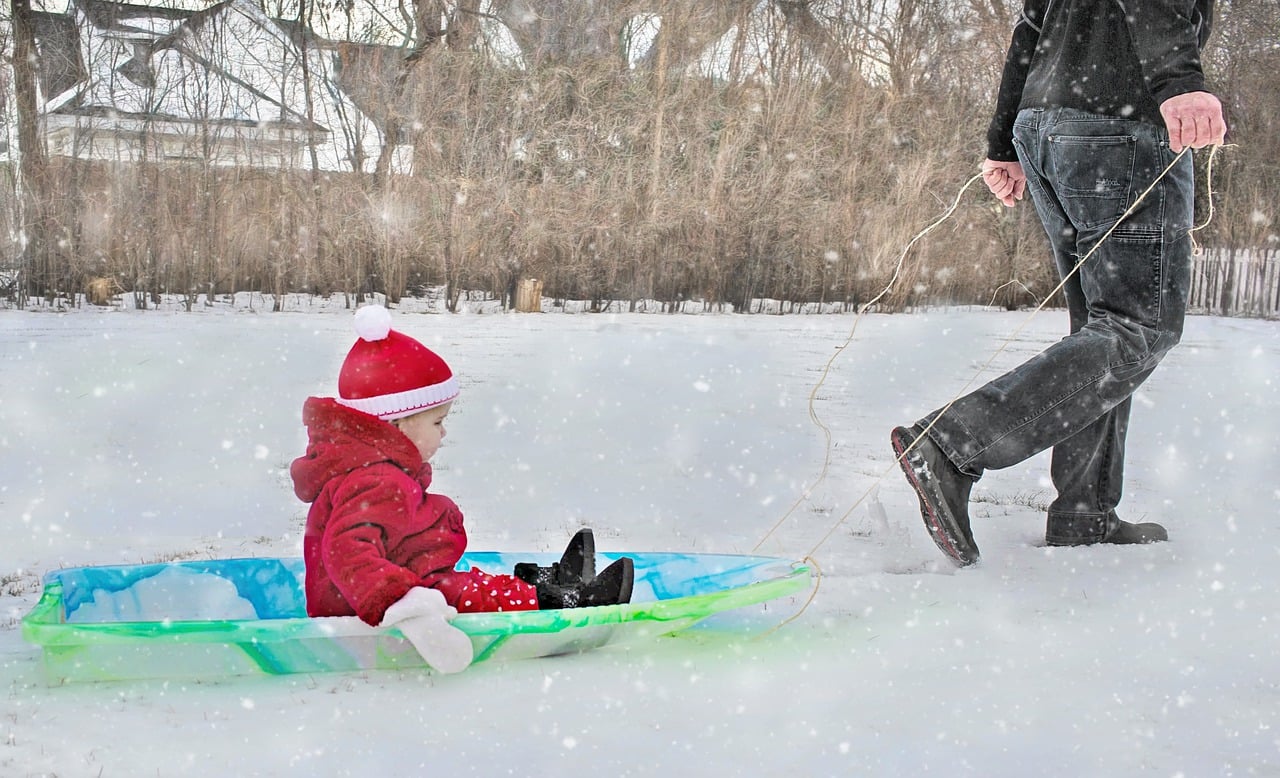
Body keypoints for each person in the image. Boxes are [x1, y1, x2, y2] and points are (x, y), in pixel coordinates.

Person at [891, 0, 1227, 566]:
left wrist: (1004, 141)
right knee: (1139, 328)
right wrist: (1179, 81)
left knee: (1101, 329)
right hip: (1120, 126)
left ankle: (1084, 512)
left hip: (1049, 127)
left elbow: (1031, 24)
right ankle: (952, 445)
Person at [291, 304, 634, 629]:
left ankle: (547, 581)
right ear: (395, 426)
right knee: (467, 595)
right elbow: (347, 553)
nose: (444, 432)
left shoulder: (373, 470)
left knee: (467, 583)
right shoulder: (376, 480)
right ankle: (564, 600)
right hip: (378, 604)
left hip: (402, 579)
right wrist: (396, 598)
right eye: (437, 422)